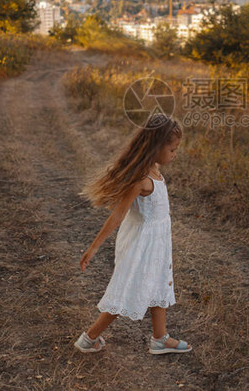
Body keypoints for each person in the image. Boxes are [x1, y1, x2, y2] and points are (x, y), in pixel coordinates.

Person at [75, 113, 192, 355]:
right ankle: (89, 338)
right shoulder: (141, 180)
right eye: (172, 149)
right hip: (141, 246)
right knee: (129, 289)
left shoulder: (155, 170)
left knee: (159, 284)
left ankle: (160, 338)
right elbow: (118, 215)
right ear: (156, 147)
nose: (175, 154)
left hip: (157, 243)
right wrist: (94, 247)